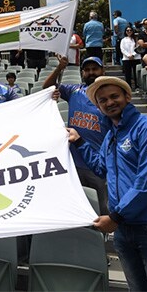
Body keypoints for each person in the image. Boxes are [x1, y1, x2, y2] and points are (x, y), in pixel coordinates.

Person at [68, 76, 147, 291]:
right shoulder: (111, 135)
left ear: (127, 97)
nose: (109, 102)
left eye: (114, 96)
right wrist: (79, 141)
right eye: (103, 100)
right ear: (98, 106)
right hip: (125, 228)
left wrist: (116, 216)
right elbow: (101, 168)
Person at [43, 55, 109, 214]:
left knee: (102, 209)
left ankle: (101, 238)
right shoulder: (74, 91)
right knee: (78, 209)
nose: (91, 72)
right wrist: (59, 68)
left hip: (98, 164)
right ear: (82, 73)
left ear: (103, 70)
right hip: (73, 162)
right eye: (87, 70)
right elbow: (47, 87)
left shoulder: (109, 95)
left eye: (95, 69)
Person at [120, 26, 141, 90]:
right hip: (126, 59)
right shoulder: (123, 40)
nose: (129, 32)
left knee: (136, 74)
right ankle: (128, 86)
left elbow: (138, 48)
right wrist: (128, 55)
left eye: (130, 30)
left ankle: (137, 86)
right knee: (127, 73)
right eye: (127, 30)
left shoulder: (136, 39)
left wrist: (133, 55)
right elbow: (122, 49)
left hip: (136, 58)